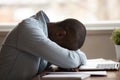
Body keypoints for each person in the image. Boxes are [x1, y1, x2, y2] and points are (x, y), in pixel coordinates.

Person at [0, 10, 87, 80]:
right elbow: (71, 60)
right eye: (64, 49)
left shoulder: (46, 34)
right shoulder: (29, 28)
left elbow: (80, 56)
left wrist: (70, 59)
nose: (62, 51)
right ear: (60, 34)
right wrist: (69, 60)